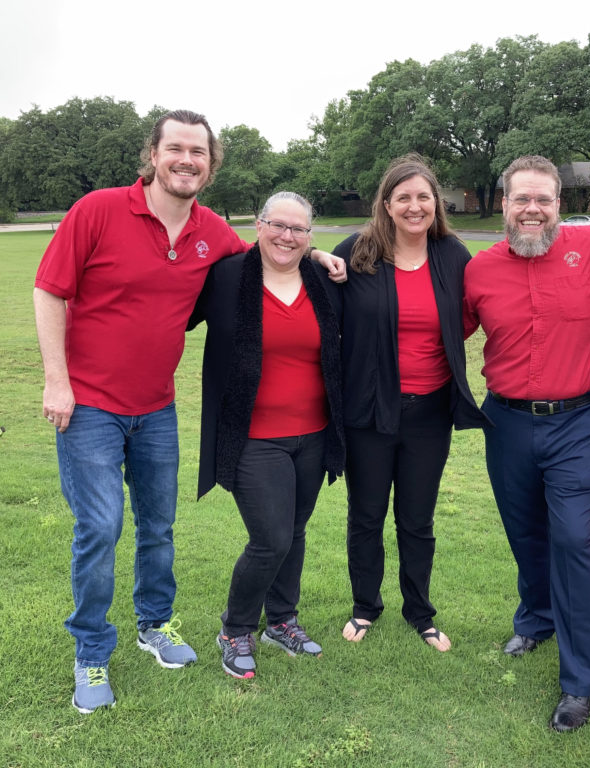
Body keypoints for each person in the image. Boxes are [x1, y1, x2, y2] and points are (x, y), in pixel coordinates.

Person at [33, 110, 345, 714]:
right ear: (153, 155)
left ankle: (155, 624)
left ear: (210, 163)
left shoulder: (212, 233)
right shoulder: (98, 209)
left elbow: (273, 251)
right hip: (89, 403)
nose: (186, 160)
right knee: (100, 529)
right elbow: (50, 289)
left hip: (157, 408)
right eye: (175, 148)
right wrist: (56, 380)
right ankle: (92, 651)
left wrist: (319, 255)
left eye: (198, 152)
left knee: (159, 527)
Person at [463, 154, 590, 732]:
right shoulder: (479, 270)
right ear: (504, 203)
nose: (532, 209)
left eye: (543, 200)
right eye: (521, 199)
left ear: (560, 205)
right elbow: (443, 330)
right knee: (524, 529)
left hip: (577, 422)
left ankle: (580, 682)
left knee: (574, 538)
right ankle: (536, 619)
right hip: (506, 421)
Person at [330, 154, 488, 652]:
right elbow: (318, 308)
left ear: (435, 203)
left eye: (424, 197)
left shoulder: (453, 255)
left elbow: (474, 315)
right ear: (386, 203)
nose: (415, 206)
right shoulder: (355, 253)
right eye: (404, 197)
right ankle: (365, 606)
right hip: (369, 411)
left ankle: (419, 611)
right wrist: (314, 257)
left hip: (429, 412)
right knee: (367, 515)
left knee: (417, 519)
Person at [187, 191, 345, 680]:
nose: (287, 236)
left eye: (299, 230)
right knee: (270, 538)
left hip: (314, 434)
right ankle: (235, 629)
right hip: (254, 437)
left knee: (294, 532)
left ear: (310, 236)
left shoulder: (321, 278)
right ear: (258, 226)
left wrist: (319, 256)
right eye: (278, 225)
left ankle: (282, 619)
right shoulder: (228, 277)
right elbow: (175, 312)